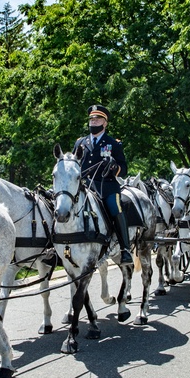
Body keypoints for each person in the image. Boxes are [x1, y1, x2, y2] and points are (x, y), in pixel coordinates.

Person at [73, 104, 133, 265]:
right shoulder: (80, 142)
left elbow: (124, 168)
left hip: (106, 187)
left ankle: (125, 249)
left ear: (105, 123)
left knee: (115, 207)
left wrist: (114, 167)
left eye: (97, 119)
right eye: (91, 119)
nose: (93, 121)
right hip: (84, 187)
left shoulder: (113, 143)